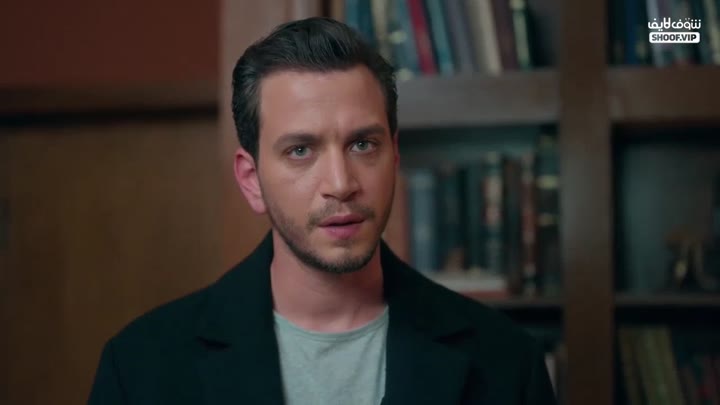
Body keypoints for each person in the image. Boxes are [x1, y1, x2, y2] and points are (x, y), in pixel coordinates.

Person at [88, 17, 557, 405]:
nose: (340, 183)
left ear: (394, 156)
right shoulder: (141, 369)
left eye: (362, 144)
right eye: (300, 151)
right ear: (251, 180)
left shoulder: (507, 362)